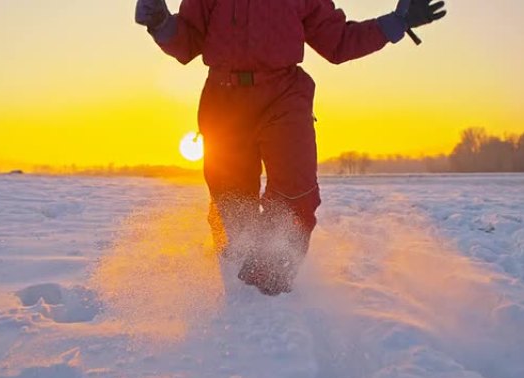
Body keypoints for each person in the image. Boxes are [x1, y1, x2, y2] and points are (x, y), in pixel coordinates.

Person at [135, 0, 446, 296]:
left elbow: (337, 42)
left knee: (296, 190)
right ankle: (236, 288)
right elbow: (188, 42)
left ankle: (271, 283)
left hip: (284, 95)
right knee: (231, 203)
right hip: (223, 101)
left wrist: (396, 23)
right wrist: (160, 23)